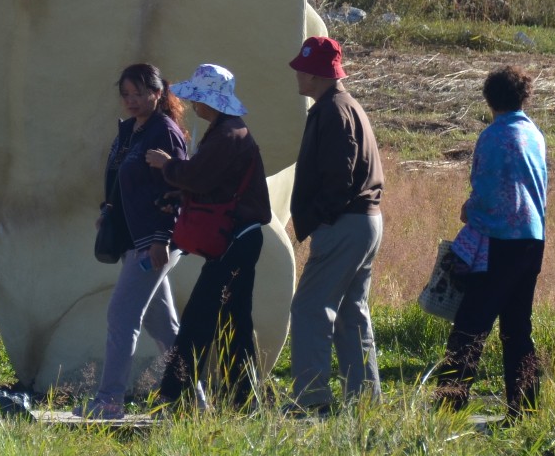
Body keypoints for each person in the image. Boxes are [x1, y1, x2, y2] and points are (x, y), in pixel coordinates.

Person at [147, 64, 272, 410]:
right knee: (234, 323)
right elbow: (215, 185)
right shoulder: (230, 131)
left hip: (233, 242)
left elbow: (198, 178)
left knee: (199, 320)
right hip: (240, 239)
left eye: (198, 99)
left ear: (210, 102)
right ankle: (244, 401)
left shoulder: (227, 135)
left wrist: (167, 165)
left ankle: (175, 395)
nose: (194, 105)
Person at [434, 65, 549, 413]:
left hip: (499, 242)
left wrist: (469, 211)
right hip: (532, 241)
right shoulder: (535, 135)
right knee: (517, 329)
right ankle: (524, 409)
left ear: (489, 99)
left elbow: (485, 194)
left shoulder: (493, 136)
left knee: (470, 326)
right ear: (524, 96)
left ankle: (448, 408)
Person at [83, 63, 189, 422]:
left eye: (139, 93)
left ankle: (109, 401)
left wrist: (161, 238)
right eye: (126, 94)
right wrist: (109, 209)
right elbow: (121, 180)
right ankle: (193, 400)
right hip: (135, 239)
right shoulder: (131, 131)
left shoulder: (164, 132)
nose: (131, 101)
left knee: (122, 314)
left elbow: (175, 190)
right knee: (164, 327)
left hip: (152, 244)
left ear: (157, 93)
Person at [287, 36, 386, 415]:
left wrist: (319, 219)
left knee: (310, 308)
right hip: (364, 223)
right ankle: (364, 402)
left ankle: (311, 399)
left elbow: (338, 178)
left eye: (303, 68)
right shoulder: (345, 105)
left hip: (345, 224)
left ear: (315, 74)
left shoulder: (332, 111)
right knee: (351, 313)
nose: (297, 73)